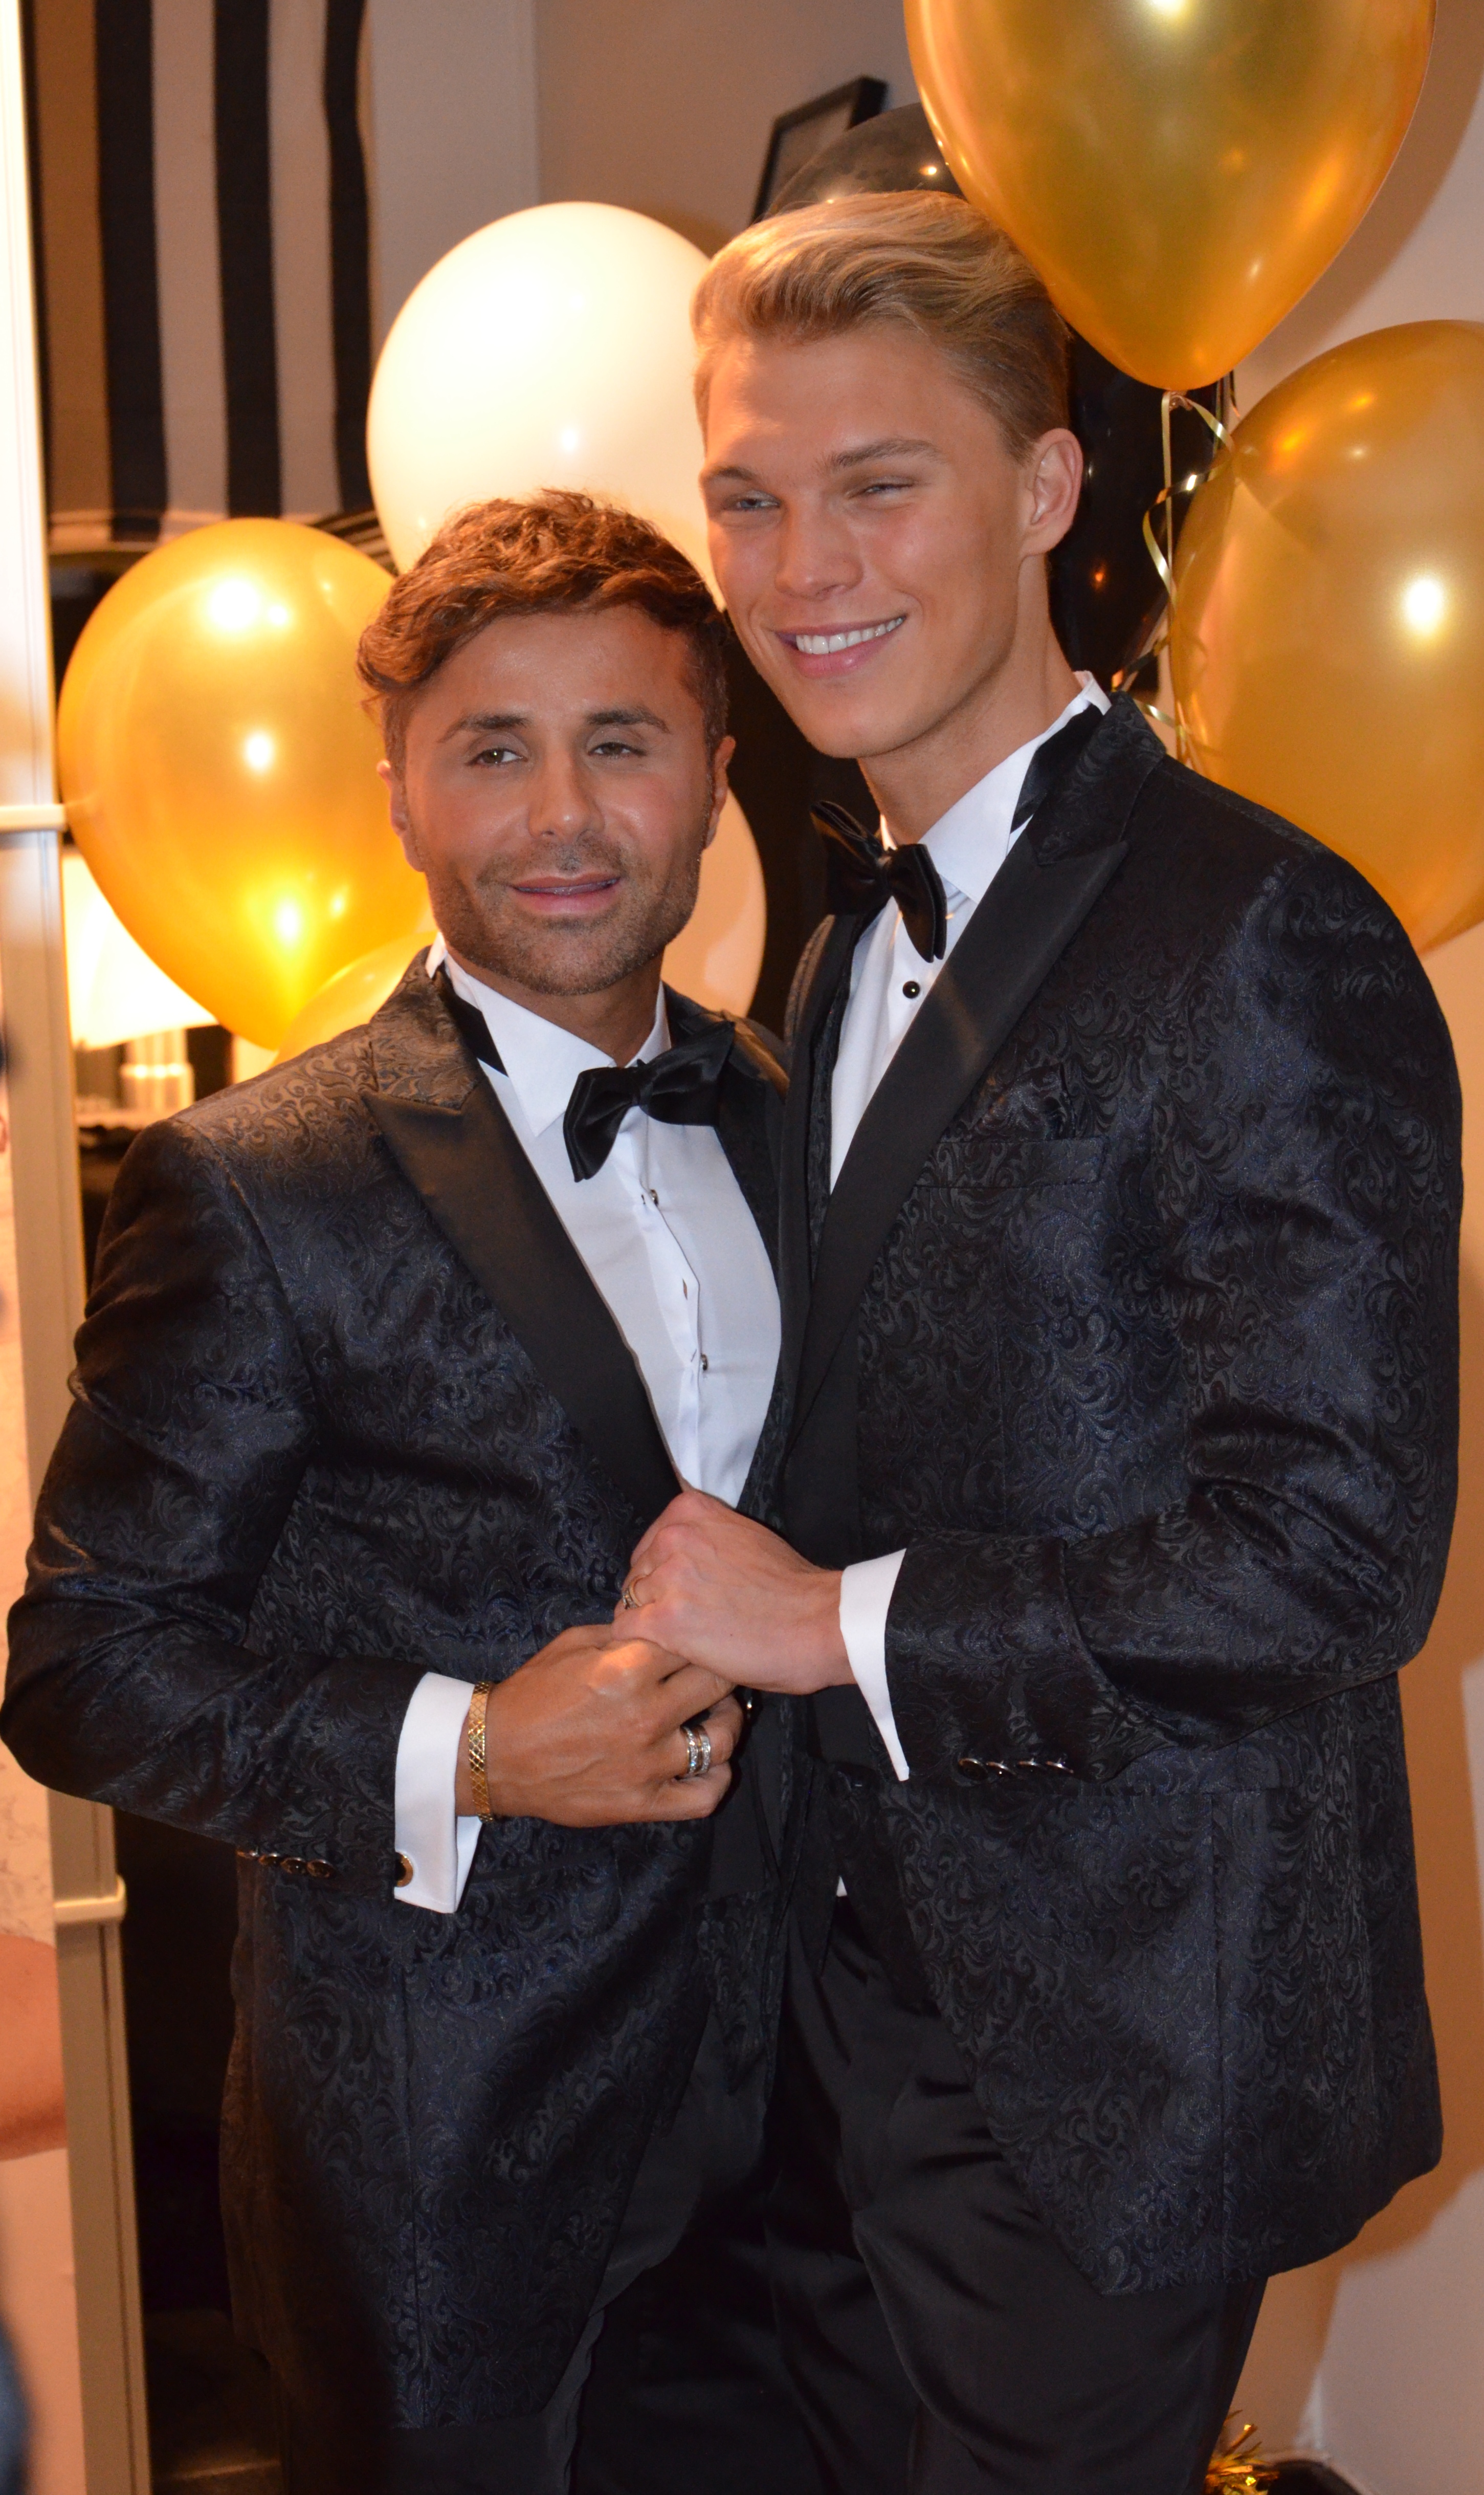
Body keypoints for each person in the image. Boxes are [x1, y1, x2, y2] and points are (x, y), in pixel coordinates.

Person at [618, 193, 1461, 2493]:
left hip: (1112, 2068)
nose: (802, 570)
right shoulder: (835, 951)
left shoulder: (1264, 927)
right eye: (748, 499)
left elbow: (1336, 1553)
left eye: (877, 485)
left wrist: (828, 1622)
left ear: (1045, 487)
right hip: (834, 2044)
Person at [2, 494, 799, 2495]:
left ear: (715, 772)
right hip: (449, 2174)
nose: (564, 814)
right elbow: (82, 1665)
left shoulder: (799, 1121)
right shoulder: (258, 1183)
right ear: (398, 787)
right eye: (492, 748)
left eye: (621, 741)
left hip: (815, 2152)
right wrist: (477, 1749)